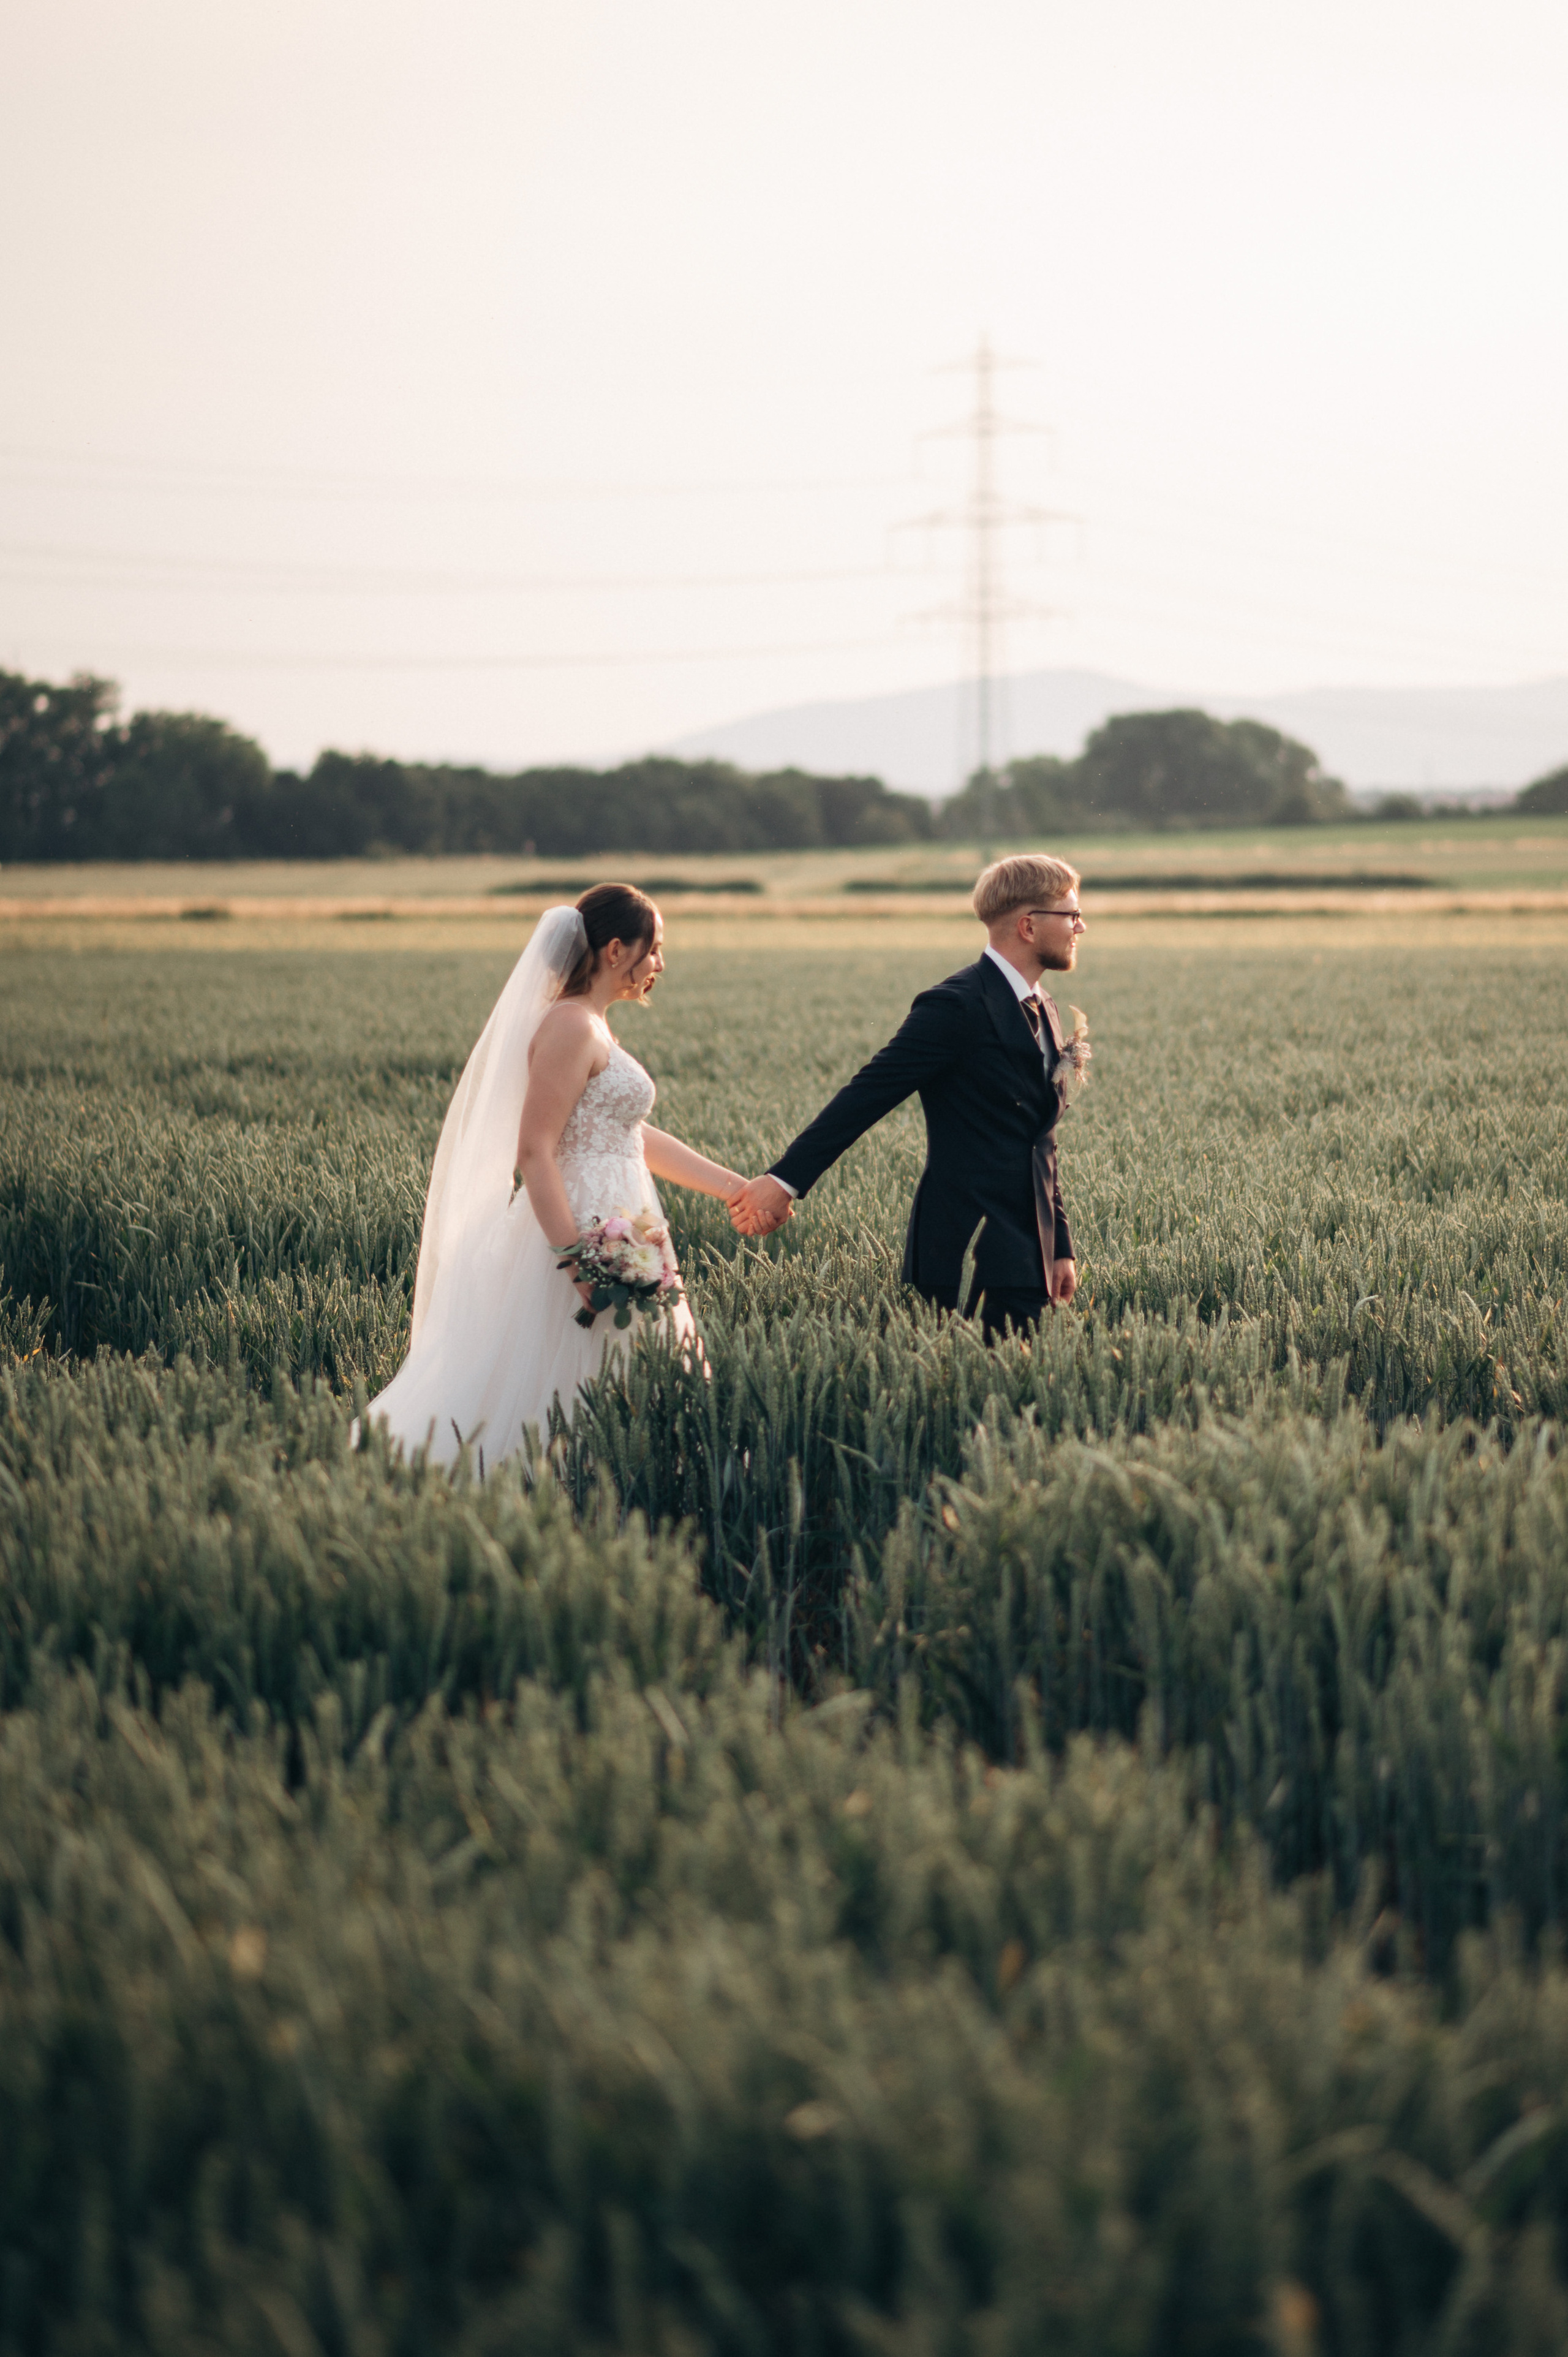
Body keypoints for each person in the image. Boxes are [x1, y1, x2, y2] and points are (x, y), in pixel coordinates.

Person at [359, 885, 747, 1466]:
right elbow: (536, 1151)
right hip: (577, 1229)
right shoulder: (571, 1027)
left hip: (618, 1222)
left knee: (618, 1372)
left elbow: (630, 1137)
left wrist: (734, 1188)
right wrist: (577, 1261)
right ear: (616, 950)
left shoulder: (591, 1024)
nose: (660, 964)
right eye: (655, 948)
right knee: (562, 1375)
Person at [729, 853, 1087, 1339]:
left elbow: (1039, 1141)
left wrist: (1059, 1244)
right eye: (1071, 914)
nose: (1080, 927)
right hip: (964, 1247)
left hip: (1029, 1249)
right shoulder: (957, 1005)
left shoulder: (1043, 1006)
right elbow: (867, 1095)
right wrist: (785, 1180)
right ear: (1028, 925)